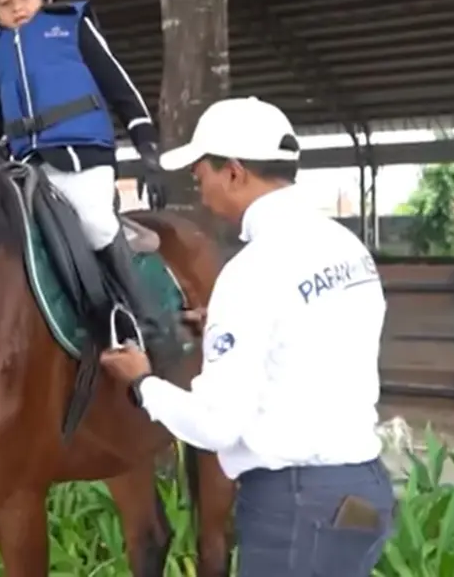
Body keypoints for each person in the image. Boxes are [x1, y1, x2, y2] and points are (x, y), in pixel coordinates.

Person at [99, 96, 395, 577]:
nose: (201, 192)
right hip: (361, 490)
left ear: (234, 172)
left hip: (297, 506)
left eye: (201, 176)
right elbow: (316, 328)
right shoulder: (345, 247)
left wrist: (142, 382)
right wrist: (232, 323)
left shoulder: (252, 270)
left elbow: (217, 426)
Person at [0, 0, 175, 356]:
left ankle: (150, 322)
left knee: (95, 222)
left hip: (83, 155)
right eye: (4, 2)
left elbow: (119, 85)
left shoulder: (71, 25)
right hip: (26, 166)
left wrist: (147, 148)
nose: (17, 8)